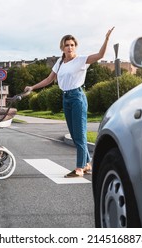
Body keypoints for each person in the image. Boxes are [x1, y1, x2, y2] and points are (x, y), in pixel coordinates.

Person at [24, 27, 115, 178]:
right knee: (74, 135)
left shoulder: (81, 60)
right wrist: (32, 87)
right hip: (65, 98)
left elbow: (100, 55)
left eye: (72, 45)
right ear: (62, 47)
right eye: (67, 45)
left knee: (79, 134)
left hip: (77, 97)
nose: (70, 47)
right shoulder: (60, 62)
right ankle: (87, 164)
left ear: (75, 47)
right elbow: (49, 79)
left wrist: (106, 39)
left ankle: (79, 168)